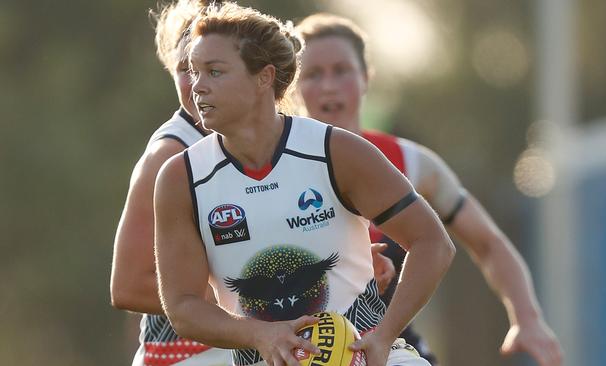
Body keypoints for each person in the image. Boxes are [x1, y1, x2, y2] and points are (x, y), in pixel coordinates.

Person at [153, 3, 456, 366]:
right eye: (192, 71)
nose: (198, 87)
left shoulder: (337, 151)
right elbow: (182, 307)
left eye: (214, 72)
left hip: (367, 355)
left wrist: (385, 336)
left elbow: (433, 243)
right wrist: (260, 335)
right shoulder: (179, 177)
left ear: (264, 78)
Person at [295, 13, 564, 366]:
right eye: (313, 74)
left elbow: (488, 243)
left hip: (391, 350)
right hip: (300, 353)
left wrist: (527, 319)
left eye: (341, 70)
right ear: (290, 85)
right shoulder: (265, 171)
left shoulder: (411, 163)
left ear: (366, 78)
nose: (329, 85)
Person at [109, 1, 231, 365]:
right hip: (187, 357)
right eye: (184, 68)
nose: (197, 82)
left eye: (213, 68)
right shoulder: (168, 155)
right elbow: (128, 284)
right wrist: (251, 300)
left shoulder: (257, 140)